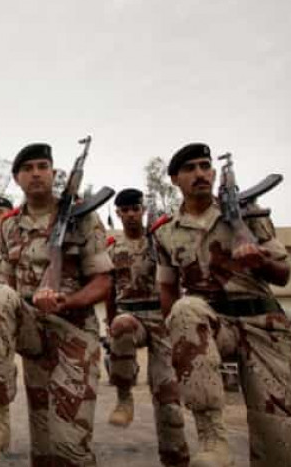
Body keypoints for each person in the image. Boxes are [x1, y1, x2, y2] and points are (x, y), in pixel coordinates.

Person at [155, 143, 291, 467]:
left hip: (264, 325)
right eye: (190, 168)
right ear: (175, 179)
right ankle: (213, 439)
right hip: (213, 324)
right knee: (185, 309)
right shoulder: (165, 232)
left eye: (205, 166)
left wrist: (258, 258)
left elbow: (283, 274)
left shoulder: (249, 214)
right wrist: (175, 334)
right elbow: (167, 286)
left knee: (282, 448)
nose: (200, 174)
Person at [0, 143, 113, 467]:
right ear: (17, 178)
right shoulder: (9, 225)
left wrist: (66, 300)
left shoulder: (82, 217)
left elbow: (103, 281)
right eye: (28, 168)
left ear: (54, 172)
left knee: (67, 449)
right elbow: (5, 288)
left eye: (42, 166)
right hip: (33, 332)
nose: (36, 173)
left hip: (75, 333)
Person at [104, 188, 189, 466]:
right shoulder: (112, 249)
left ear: (142, 210)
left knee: (168, 398)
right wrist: (110, 323)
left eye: (135, 209)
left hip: (161, 318)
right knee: (121, 325)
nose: (130, 214)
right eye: (125, 210)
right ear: (118, 214)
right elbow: (109, 292)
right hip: (131, 315)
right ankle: (124, 396)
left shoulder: (159, 241)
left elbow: (176, 281)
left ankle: (175, 457)